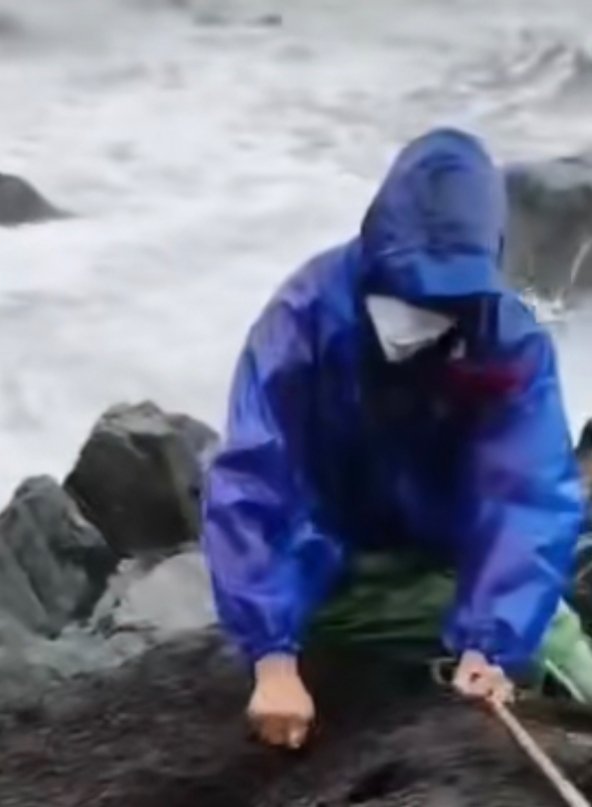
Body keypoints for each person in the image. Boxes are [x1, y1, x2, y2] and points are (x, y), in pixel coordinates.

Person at [200, 128, 592, 751]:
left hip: (440, 547)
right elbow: (256, 483)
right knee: (560, 643)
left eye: (446, 296)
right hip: (336, 568)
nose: (420, 314)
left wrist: (489, 645)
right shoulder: (302, 321)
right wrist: (273, 658)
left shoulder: (505, 338)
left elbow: (529, 495)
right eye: (406, 291)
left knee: (558, 631)